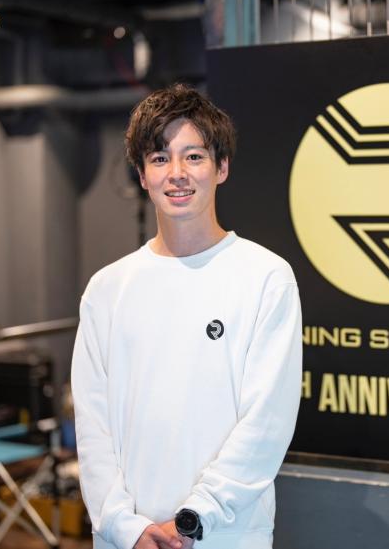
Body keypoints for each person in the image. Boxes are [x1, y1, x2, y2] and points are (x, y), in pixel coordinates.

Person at [71, 84, 303, 549]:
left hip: (224, 535)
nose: (177, 174)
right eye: (160, 158)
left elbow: (266, 424)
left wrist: (194, 519)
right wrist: (124, 525)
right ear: (142, 175)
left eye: (193, 157)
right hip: (126, 539)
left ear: (222, 167)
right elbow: (92, 427)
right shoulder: (107, 289)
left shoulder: (266, 278)